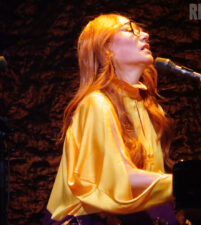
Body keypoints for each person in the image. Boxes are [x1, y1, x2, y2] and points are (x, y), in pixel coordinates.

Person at [43, 13, 179, 225]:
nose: (145, 35)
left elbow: (149, 183)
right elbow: (118, 178)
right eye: (129, 30)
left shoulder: (151, 108)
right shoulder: (96, 103)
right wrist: (187, 184)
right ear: (105, 48)